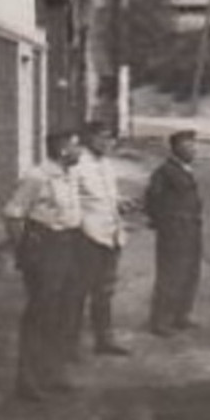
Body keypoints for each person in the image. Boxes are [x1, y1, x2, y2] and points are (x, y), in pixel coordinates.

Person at [2, 130, 85, 401]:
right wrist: (26, 252)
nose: (80, 150)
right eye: (76, 145)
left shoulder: (69, 174)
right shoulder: (37, 176)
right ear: (62, 149)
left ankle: (53, 373)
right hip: (45, 248)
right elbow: (13, 213)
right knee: (40, 313)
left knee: (63, 312)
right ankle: (27, 380)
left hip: (68, 245)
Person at [74, 120, 130, 357]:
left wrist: (121, 202)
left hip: (111, 235)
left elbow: (108, 196)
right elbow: (72, 201)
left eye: (111, 138)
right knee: (78, 291)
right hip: (88, 237)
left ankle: (104, 339)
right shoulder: (77, 165)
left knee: (105, 291)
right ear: (89, 138)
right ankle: (69, 344)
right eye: (103, 137)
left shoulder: (107, 165)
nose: (109, 143)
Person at [144, 130, 204, 337]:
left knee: (189, 273)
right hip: (174, 231)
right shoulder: (164, 172)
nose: (193, 149)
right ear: (176, 148)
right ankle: (160, 321)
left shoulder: (186, 170)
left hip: (191, 228)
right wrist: (164, 224)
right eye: (188, 145)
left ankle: (181, 315)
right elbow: (152, 199)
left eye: (194, 145)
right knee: (170, 275)